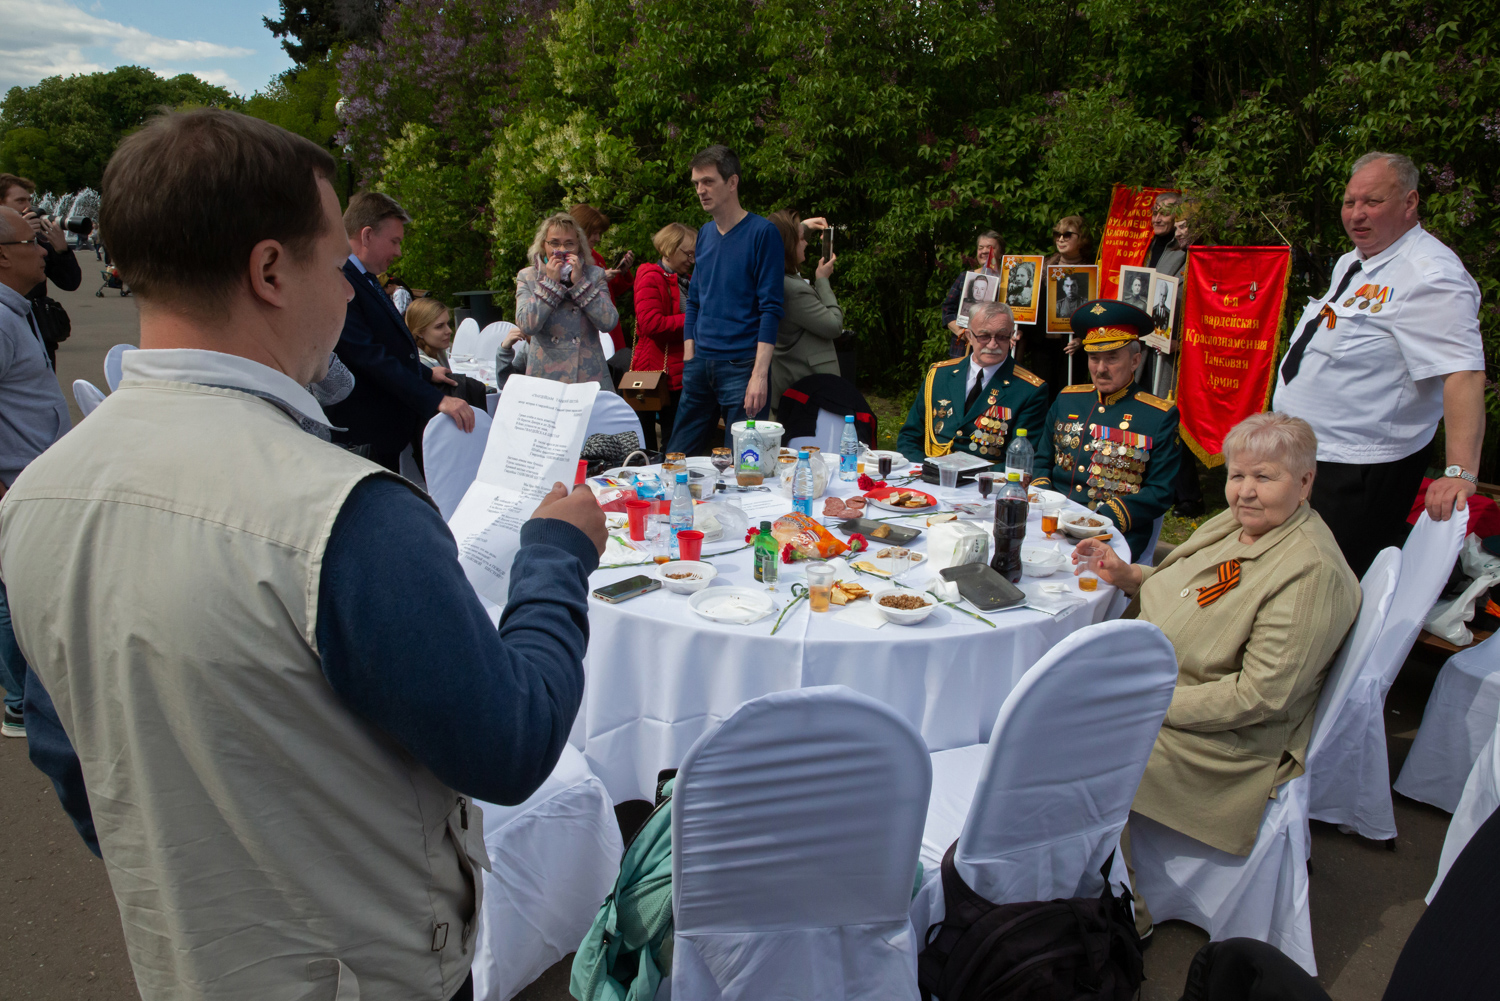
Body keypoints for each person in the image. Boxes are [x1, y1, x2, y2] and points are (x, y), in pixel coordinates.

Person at [0, 108, 607, 1001]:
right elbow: (512, 744)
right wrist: (556, 556)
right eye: (336, 266)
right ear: (272, 271)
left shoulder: (36, 500)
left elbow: (70, 753)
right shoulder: (344, 510)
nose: (349, 293)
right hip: (369, 972)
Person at [1072, 412, 1359, 935]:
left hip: (1226, 745)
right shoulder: (1242, 525)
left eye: (1263, 477)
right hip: (1160, 688)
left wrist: (1145, 703)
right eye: (1236, 475)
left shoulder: (1310, 572)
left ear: (1305, 481)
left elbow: (1259, 697)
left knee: (1078, 743)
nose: (1245, 492)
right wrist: (1131, 574)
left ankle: (1123, 912)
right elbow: (1189, 586)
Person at [1272, 151, 1485, 577]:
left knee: (1327, 585)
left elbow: (1463, 373)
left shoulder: (1430, 276)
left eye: (1373, 202)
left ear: (1409, 203)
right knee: (1283, 575)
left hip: (1360, 471)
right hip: (1307, 455)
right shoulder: (1354, 261)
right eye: (1350, 202)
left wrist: (1460, 472)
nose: (1357, 214)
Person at [326, 191, 474, 472]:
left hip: (381, 433)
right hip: (363, 437)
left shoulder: (364, 278)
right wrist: (437, 399)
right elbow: (369, 356)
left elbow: (388, 346)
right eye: (394, 241)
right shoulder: (341, 281)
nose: (399, 252)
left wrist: (426, 373)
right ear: (367, 235)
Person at [1032, 300, 1181, 562]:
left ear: (1135, 360)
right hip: (1050, 523)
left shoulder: (1158, 416)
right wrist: (1044, 499)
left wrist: (1105, 518)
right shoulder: (1068, 399)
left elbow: (1160, 491)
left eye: (1112, 358)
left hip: (1111, 533)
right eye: (1094, 358)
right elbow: (1042, 460)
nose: (1101, 369)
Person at [0, 204, 72, 739]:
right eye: (32, 242)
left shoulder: (18, 309)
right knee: (11, 596)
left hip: (31, 482)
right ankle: (24, 701)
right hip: (15, 489)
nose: (42, 249)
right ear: (4, 255)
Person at [665, 145, 784, 454]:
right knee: (677, 459)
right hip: (701, 364)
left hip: (742, 366)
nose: (700, 190)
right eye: (696, 184)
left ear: (732, 183)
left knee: (743, 468)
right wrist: (690, 353)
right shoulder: (704, 234)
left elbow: (771, 309)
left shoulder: (763, 233)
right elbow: (694, 299)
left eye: (708, 181)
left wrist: (759, 376)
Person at [897, 302, 1048, 466]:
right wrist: (921, 471)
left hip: (983, 484)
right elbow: (910, 436)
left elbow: (1020, 459)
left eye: (1002, 336)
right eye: (984, 336)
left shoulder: (1029, 389)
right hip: (929, 474)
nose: (992, 344)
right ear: (969, 336)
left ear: (1011, 336)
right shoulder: (939, 374)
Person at [515, 212, 620, 389]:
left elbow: (609, 322)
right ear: (543, 245)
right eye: (554, 243)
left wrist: (580, 284)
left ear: (579, 246)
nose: (562, 250)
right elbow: (526, 325)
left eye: (569, 243)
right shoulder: (528, 276)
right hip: (546, 377)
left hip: (587, 376)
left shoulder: (594, 275)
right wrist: (549, 284)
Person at [0, 174, 83, 368]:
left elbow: (70, 283)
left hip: (38, 330)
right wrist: (18, 240)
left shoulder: (40, 241)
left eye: (30, 200)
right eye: (20, 201)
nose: (29, 206)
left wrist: (62, 250)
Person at [768, 210, 843, 409]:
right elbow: (834, 325)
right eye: (801, 239)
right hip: (808, 393)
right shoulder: (793, 290)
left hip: (795, 387)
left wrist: (805, 226)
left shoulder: (775, 277)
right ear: (788, 245)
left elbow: (777, 237)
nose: (806, 243)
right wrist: (823, 281)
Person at [631, 222, 695, 451]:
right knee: (655, 441)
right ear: (670, 248)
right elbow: (650, 324)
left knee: (675, 440)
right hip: (656, 372)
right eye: (688, 253)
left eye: (695, 254)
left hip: (677, 372)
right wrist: (695, 319)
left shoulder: (686, 280)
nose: (692, 259)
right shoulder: (650, 276)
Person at [1029, 215, 1093, 397]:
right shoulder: (1043, 268)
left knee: (1069, 395)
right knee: (1041, 394)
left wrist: (1082, 340)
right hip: (1043, 345)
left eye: (1067, 234)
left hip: (1074, 346)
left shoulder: (1092, 269)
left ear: (1082, 238)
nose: (1061, 239)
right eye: (1057, 234)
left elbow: (1094, 312)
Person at [570, 204, 634, 355]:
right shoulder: (568, 261)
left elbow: (610, 292)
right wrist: (599, 277)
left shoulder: (595, 257)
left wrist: (621, 273)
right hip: (589, 332)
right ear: (581, 230)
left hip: (608, 326)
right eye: (594, 233)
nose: (598, 238)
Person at [408, 298, 488, 411]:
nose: (449, 331)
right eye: (439, 326)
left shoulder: (438, 351)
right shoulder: (421, 364)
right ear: (420, 332)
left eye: (448, 324)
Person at [941, 229, 1002, 358]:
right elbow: (947, 310)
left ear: (1000, 252)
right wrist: (960, 332)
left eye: (990, 248)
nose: (985, 251)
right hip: (963, 350)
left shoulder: (1006, 283)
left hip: (994, 350)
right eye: (981, 248)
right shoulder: (965, 277)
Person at [1143, 192, 1183, 269]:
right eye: (1155, 213)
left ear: (1178, 216)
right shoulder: (1144, 245)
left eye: (1164, 214)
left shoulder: (1184, 250)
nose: (1157, 220)